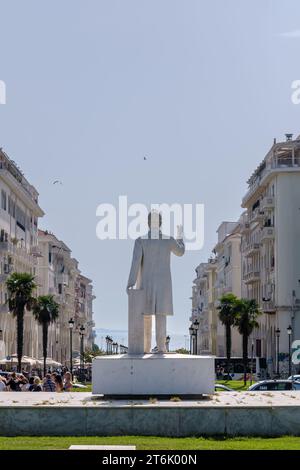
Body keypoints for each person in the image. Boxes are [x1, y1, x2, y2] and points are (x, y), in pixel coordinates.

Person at [127, 211, 185, 353]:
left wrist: (131, 282)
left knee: (146, 315)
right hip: (163, 284)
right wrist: (180, 236)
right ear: (160, 223)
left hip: (145, 283)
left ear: (148, 223)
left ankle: (146, 348)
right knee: (161, 315)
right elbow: (181, 251)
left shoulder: (141, 240)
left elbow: (135, 263)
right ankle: (161, 347)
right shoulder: (168, 239)